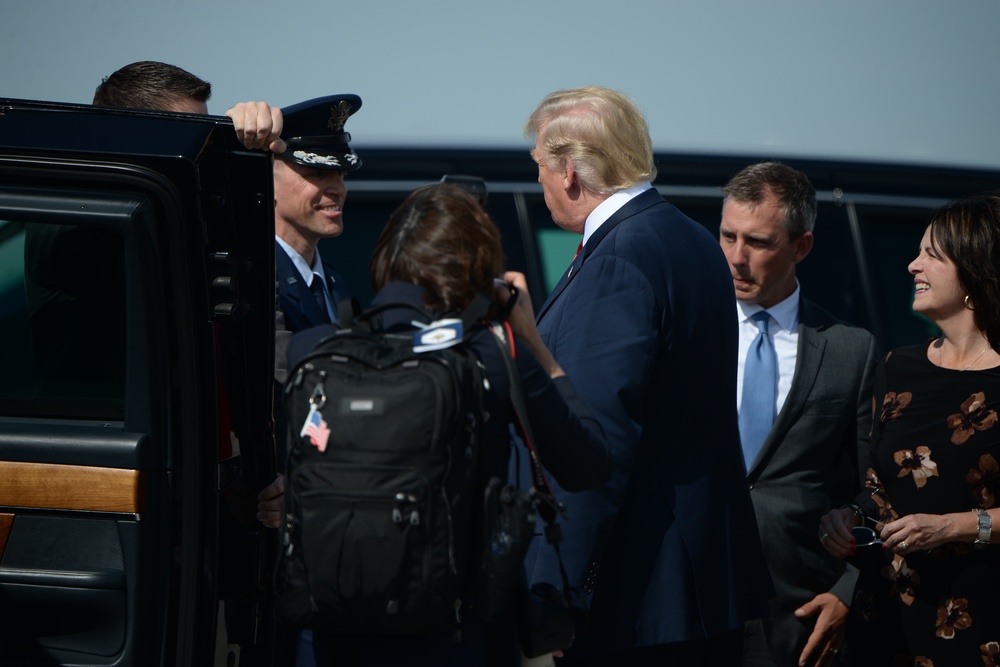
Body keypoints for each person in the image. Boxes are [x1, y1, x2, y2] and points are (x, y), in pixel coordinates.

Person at [284, 182, 611, 666]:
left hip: (330, 637)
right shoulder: (491, 354)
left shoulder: (310, 349)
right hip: (455, 640)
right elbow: (587, 464)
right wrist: (534, 346)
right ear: (477, 266)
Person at [520, 86, 771, 665]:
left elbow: (596, 440)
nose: (538, 184)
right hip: (696, 581)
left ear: (570, 174)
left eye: (538, 168)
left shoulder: (619, 258)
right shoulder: (686, 237)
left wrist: (553, 588)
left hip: (643, 594)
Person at [818, 191, 1000, 665]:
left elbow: (943, 519)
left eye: (931, 256)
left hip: (980, 624)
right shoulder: (899, 365)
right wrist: (848, 516)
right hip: (887, 621)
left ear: (974, 271)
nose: (911, 266)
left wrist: (952, 528)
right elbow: (881, 486)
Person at [718, 162, 878, 666]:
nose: (736, 258)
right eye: (727, 237)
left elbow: (878, 486)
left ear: (801, 247)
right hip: (691, 609)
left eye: (758, 243)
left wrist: (851, 589)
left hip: (800, 621)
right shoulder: (683, 335)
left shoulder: (852, 351)